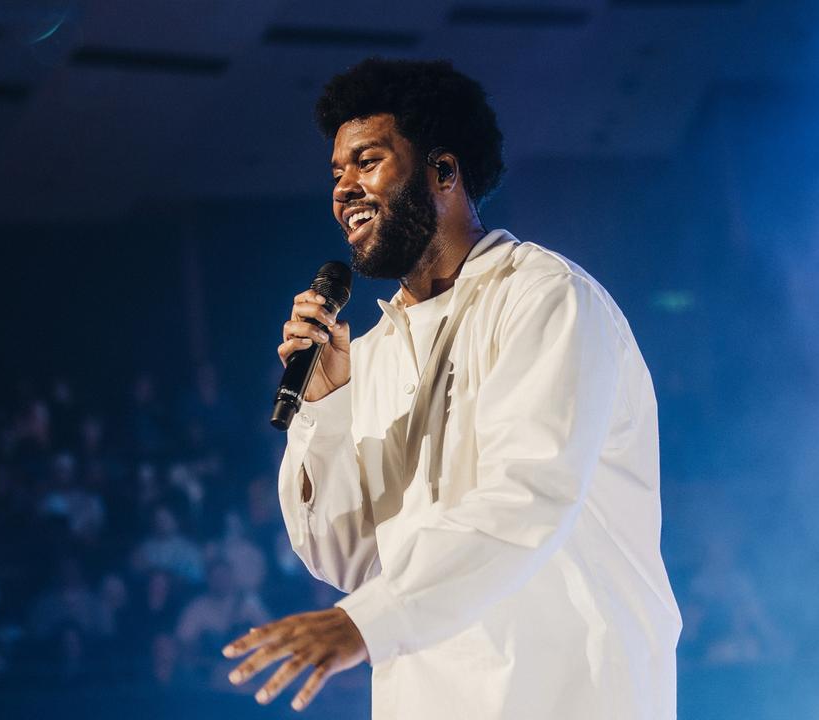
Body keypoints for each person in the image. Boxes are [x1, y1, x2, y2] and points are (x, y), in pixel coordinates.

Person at [223, 57, 681, 718]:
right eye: (335, 174)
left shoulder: (543, 298)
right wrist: (323, 407)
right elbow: (347, 558)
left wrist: (363, 626)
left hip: (567, 696)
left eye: (367, 161)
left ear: (443, 171)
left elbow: (529, 494)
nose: (343, 188)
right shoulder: (371, 354)